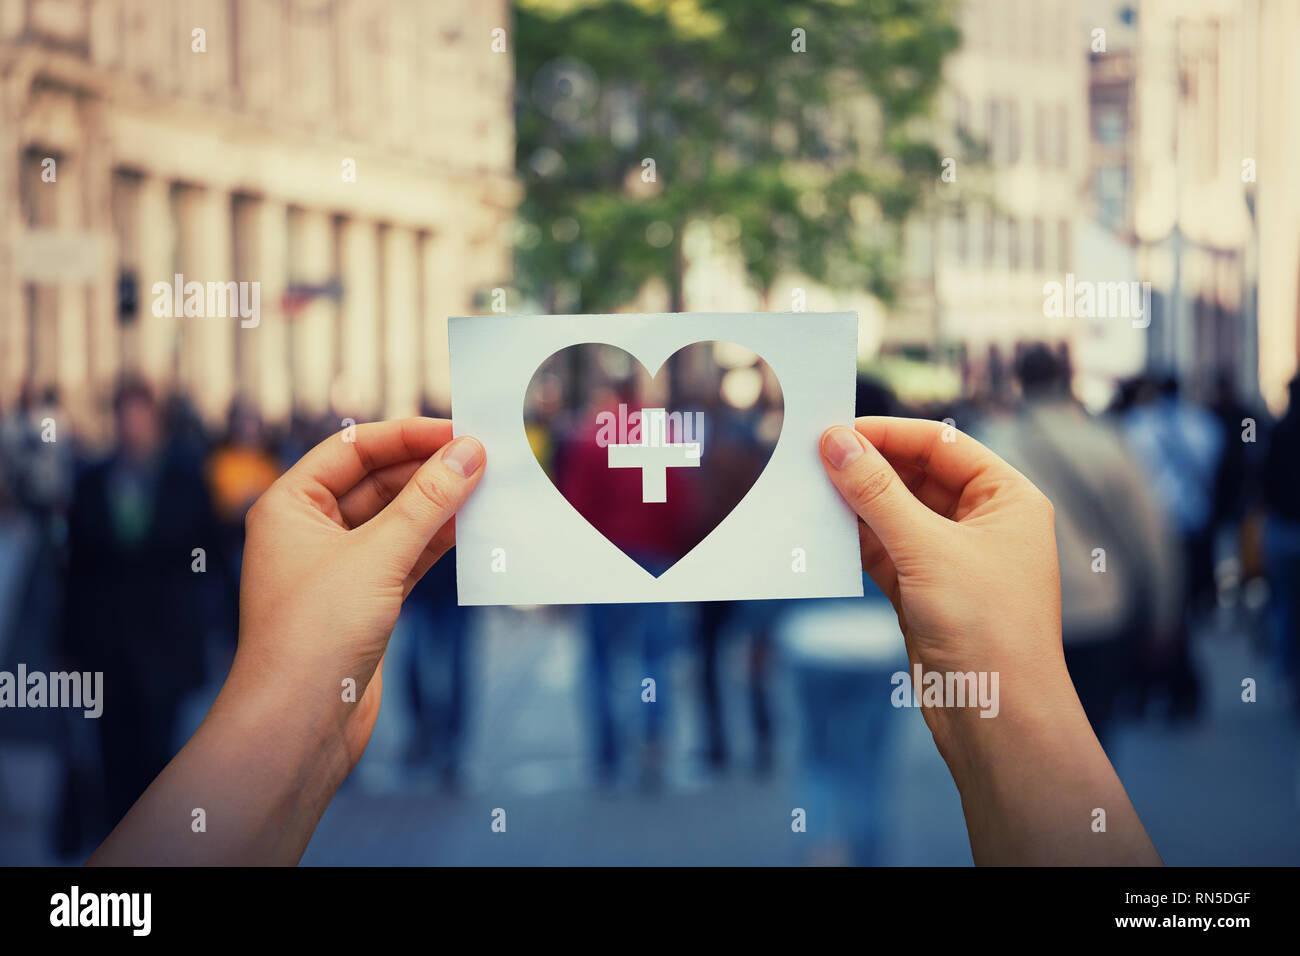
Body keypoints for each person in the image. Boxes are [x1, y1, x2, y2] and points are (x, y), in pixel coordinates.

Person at [87, 416, 1161, 866]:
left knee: (620, 668)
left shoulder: (600, 444)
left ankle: (621, 751)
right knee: (643, 667)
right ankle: (650, 752)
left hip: (611, 575)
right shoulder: (670, 442)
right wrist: (1016, 712)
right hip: (660, 575)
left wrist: (283, 729)